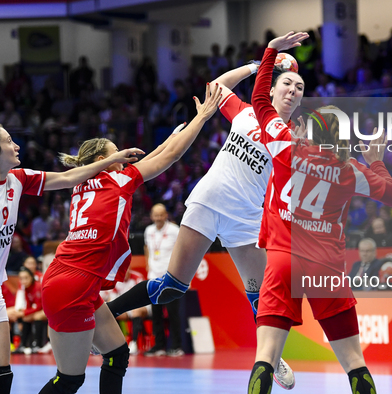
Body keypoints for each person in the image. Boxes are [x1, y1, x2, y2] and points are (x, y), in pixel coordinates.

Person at [106, 45, 310, 390]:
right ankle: (107, 312)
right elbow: (214, 86)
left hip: (246, 219)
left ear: (301, 101)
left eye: (300, 88)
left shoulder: (293, 138)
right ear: (272, 88)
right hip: (208, 204)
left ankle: (271, 358)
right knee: (171, 287)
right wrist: (256, 65)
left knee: (265, 299)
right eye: (287, 83)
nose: (293, 90)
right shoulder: (245, 113)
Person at [38, 84, 222, 394]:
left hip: (68, 279)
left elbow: (154, 157)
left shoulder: (85, 183)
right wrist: (202, 117)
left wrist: (172, 136)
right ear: (102, 160)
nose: (124, 162)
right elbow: (171, 157)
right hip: (72, 287)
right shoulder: (118, 180)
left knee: (117, 354)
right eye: (117, 156)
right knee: (69, 379)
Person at [247, 32, 392, 394]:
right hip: (327, 267)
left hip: (283, 261)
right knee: (354, 363)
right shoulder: (350, 170)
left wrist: (270, 51)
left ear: (307, 129)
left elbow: (258, 101)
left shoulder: (287, 146)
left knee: (266, 356)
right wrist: (376, 161)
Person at [0, 124, 143, 394]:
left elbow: (68, 179)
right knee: (67, 378)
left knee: (3, 375)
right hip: (66, 282)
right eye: (9, 141)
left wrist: (111, 160)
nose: (17, 145)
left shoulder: (17, 179)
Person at [143, 204, 183, 357]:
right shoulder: (148, 230)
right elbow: (147, 247)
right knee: (156, 314)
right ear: (151, 216)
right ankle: (159, 346)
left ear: (166, 215)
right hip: (153, 277)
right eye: (155, 215)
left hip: (171, 277)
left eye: (161, 215)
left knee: (173, 313)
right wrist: (148, 264)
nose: (158, 218)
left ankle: (176, 346)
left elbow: (182, 249)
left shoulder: (174, 230)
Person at [8, 267, 45, 354]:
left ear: (31, 277)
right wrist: (23, 313)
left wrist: (23, 313)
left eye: (26, 278)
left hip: (47, 310)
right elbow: (28, 305)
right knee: (25, 318)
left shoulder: (38, 286)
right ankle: (23, 344)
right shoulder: (26, 288)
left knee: (36, 316)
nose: (23, 281)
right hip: (38, 309)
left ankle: (38, 345)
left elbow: (39, 306)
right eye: (21, 279)